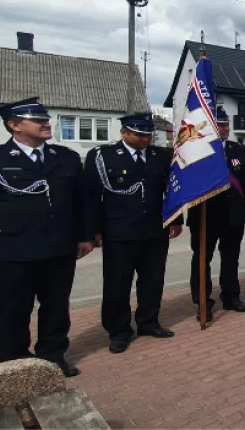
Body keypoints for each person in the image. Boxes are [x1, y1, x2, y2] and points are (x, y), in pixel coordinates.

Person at [0, 98, 93, 377]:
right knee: (13, 311)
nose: (46, 123)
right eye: (37, 119)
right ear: (13, 125)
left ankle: (52, 358)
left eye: (46, 118)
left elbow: (79, 203)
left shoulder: (66, 157)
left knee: (57, 309)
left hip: (59, 248)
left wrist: (85, 237)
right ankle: (15, 365)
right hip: (12, 251)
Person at [85, 112, 182, 354]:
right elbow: (90, 197)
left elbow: (172, 190)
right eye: (139, 134)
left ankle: (148, 322)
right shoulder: (102, 156)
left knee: (152, 280)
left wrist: (176, 220)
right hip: (119, 231)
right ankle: (119, 330)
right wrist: (93, 231)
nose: (146, 138)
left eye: (148, 134)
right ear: (124, 133)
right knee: (118, 283)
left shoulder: (161, 156)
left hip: (154, 229)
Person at [187, 106, 245, 323]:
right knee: (202, 260)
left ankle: (231, 296)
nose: (224, 128)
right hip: (205, 216)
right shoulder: (197, 150)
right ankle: (202, 302)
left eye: (226, 124)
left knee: (231, 258)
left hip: (233, 215)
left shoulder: (237, 149)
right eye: (219, 124)